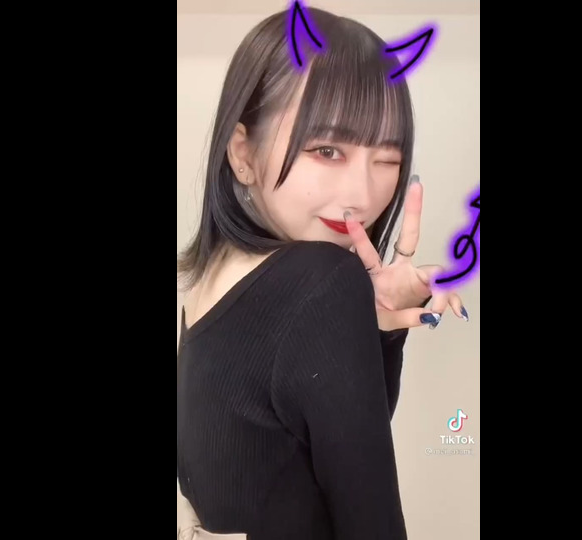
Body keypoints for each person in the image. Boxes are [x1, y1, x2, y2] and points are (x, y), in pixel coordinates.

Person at [177, 6, 468, 539]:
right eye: (327, 149)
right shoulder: (321, 279)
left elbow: (314, 455)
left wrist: (373, 330)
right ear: (242, 153)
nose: (362, 194)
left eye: (387, 159)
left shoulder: (204, 283)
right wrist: (343, 305)